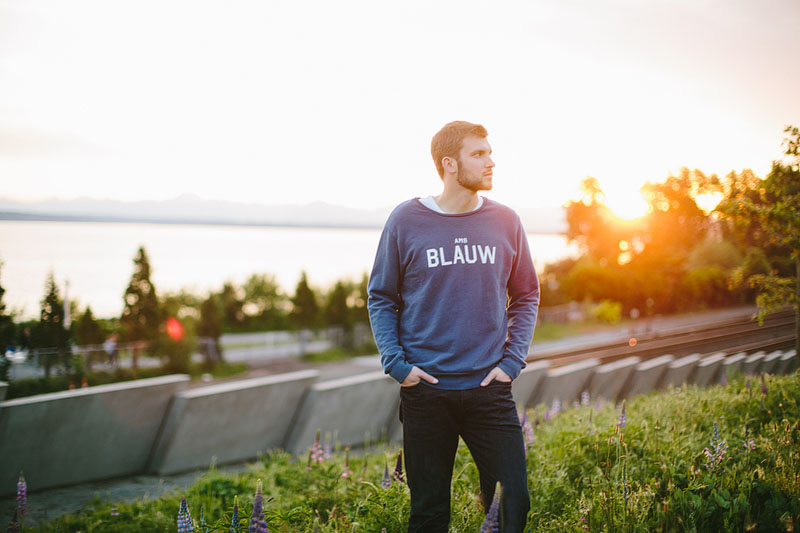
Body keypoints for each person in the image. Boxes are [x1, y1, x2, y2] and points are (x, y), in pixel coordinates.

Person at [367, 120, 539, 532]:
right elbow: (380, 297)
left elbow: (527, 294)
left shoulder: (506, 221)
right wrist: (398, 366)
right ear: (449, 163)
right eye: (478, 154)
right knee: (428, 515)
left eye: (489, 152)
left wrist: (513, 362)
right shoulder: (406, 220)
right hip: (427, 392)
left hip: (490, 391)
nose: (491, 161)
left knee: (512, 504)